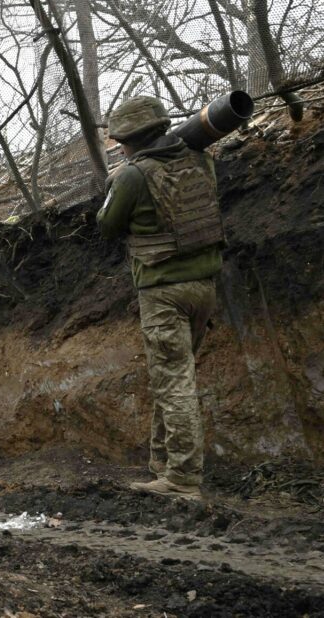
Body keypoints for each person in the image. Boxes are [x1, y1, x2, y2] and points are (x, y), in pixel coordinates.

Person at [97, 96, 225, 501]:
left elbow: (108, 227)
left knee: (174, 383)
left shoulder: (132, 175)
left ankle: (183, 479)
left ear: (130, 140)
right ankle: (162, 464)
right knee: (171, 377)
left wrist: (112, 186)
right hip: (204, 287)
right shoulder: (200, 161)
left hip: (162, 291)